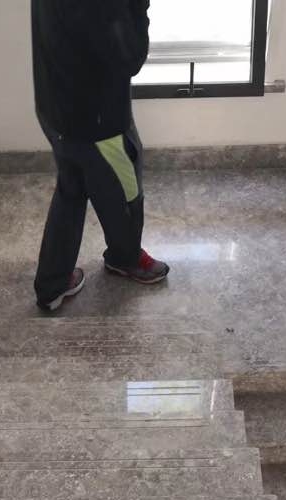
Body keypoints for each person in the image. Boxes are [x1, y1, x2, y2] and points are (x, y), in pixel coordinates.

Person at [31, 0, 170, 311]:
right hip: (97, 121)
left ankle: (52, 284)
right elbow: (130, 56)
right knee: (126, 192)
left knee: (71, 189)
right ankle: (125, 258)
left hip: (55, 107)